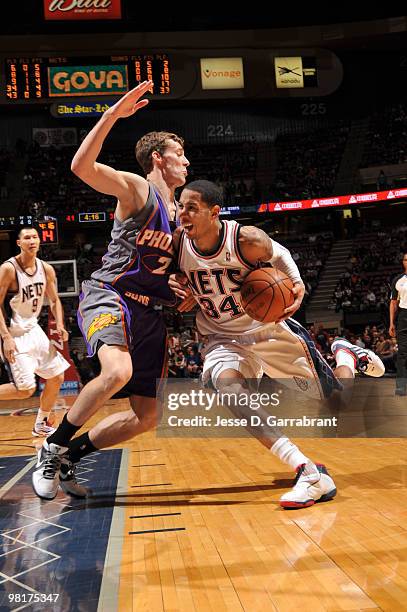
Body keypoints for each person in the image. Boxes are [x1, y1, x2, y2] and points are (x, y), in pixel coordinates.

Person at [171, 180, 385, 509]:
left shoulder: (246, 239)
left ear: (214, 213)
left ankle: (345, 354)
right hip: (222, 337)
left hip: (267, 330)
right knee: (228, 388)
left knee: (338, 408)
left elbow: (279, 252)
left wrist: (296, 283)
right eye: (180, 205)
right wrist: (176, 285)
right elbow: (171, 278)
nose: (182, 213)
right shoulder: (177, 243)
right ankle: (306, 470)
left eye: (191, 208)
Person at [32, 81, 189, 500]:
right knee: (115, 372)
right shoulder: (139, 189)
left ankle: (72, 455)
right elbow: (82, 169)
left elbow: (173, 278)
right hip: (110, 295)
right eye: (179, 154)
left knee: (148, 415)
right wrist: (110, 117)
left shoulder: (180, 216)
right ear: (158, 158)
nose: (186, 162)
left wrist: (181, 292)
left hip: (150, 313)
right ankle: (52, 446)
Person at [0, 227, 69, 437]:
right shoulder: (8, 269)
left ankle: (41, 423)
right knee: (25, 390)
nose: (32, 240)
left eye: (35, 237)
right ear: (19, 243)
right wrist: (6, 338)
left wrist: (60, 324)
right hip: (13, 332)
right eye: (27, 237)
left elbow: (55, 300)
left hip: (33, 329)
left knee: (57, 376)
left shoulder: (46, 269)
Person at [389, 252, 407, 395]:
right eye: (406, 260)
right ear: (403, 262)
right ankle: (401, 386)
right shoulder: (397, 280)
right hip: (403, 317)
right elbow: (393, 303)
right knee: (402, 352)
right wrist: (391, 323)